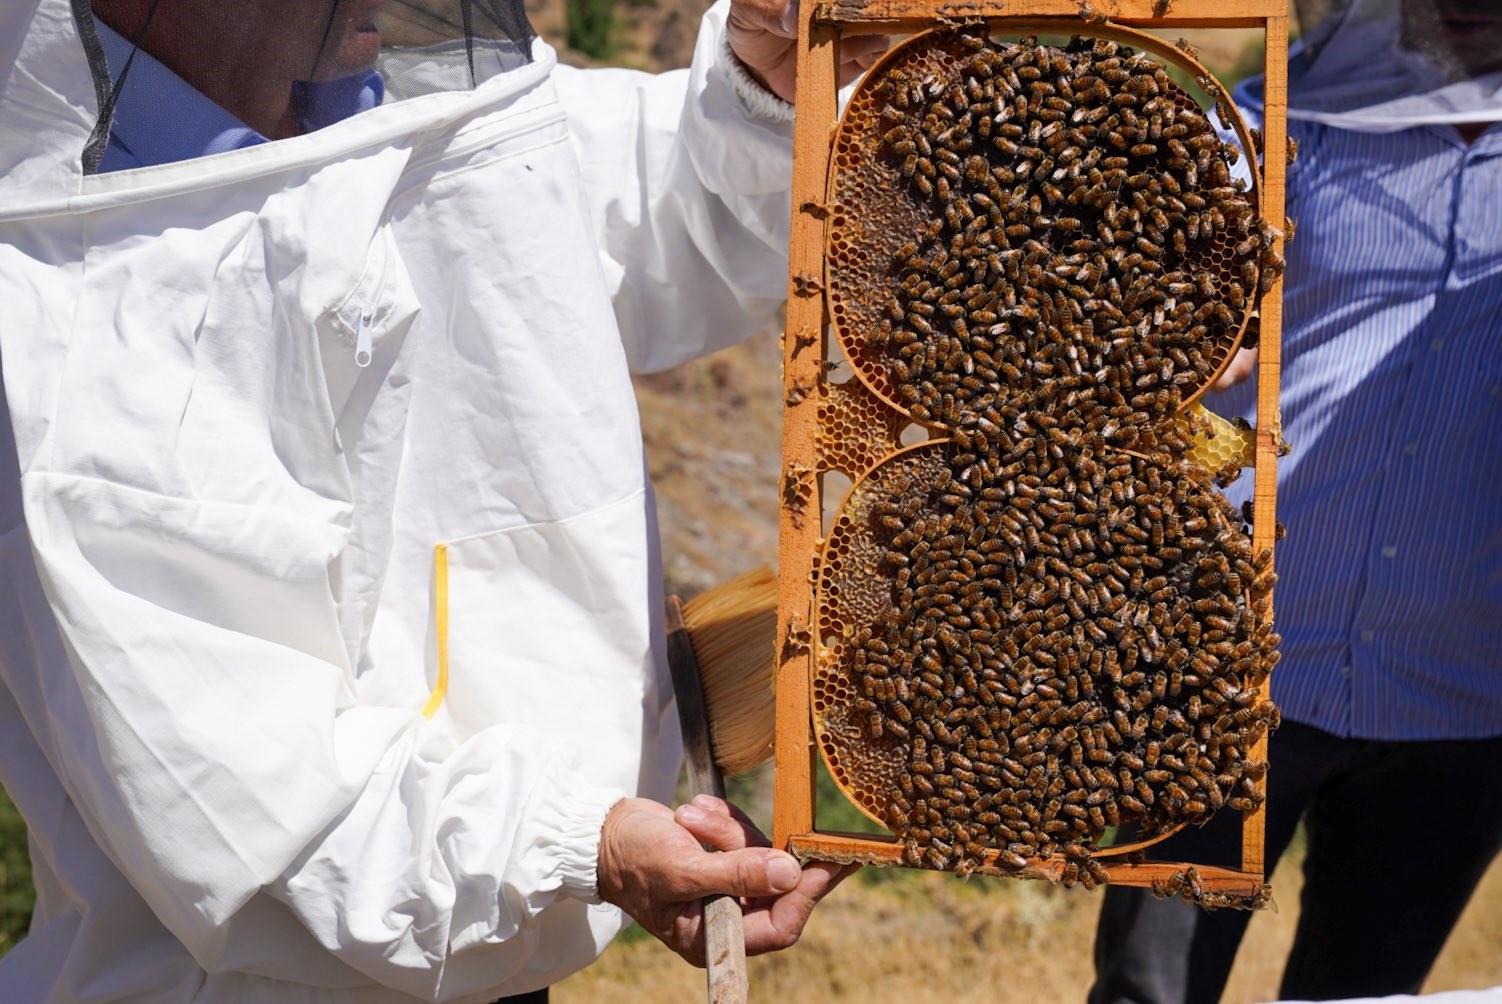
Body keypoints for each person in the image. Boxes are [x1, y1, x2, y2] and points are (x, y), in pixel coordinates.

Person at [0, 0, 886, 1000]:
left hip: (486, 952)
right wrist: (571, 842)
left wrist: (761, 88)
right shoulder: (67, 334)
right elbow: (265, 808)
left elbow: (625, 197)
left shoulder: (386, 108)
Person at [1089, 1, 1502, 1001]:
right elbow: (1143, 365)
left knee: (1360, 997)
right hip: (1226, 669)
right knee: (1149, 991)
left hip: (1461, 695)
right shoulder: (1269, 128)